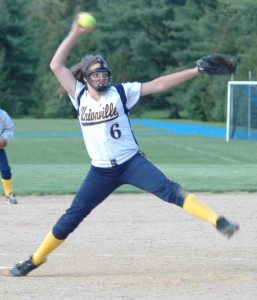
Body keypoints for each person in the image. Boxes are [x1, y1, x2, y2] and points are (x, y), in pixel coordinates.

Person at [10, 13, 239, 276]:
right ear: (84, 78)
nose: (101, 78)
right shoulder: (79, 96)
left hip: (132, 163)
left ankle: (219, 222)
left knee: (170, 190)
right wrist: (75, 32)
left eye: (104, 73)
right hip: (100, 171)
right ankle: (36, 259)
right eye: (95, 74)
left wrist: (196, 71)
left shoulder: (120, 92)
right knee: (72, 217)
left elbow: (159, 84)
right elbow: (55, 65)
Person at [0, 109, 17, 204]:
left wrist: (4, 138)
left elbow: (9, 129)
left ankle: (9, 194)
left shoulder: (2, 115)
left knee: (5, 170)